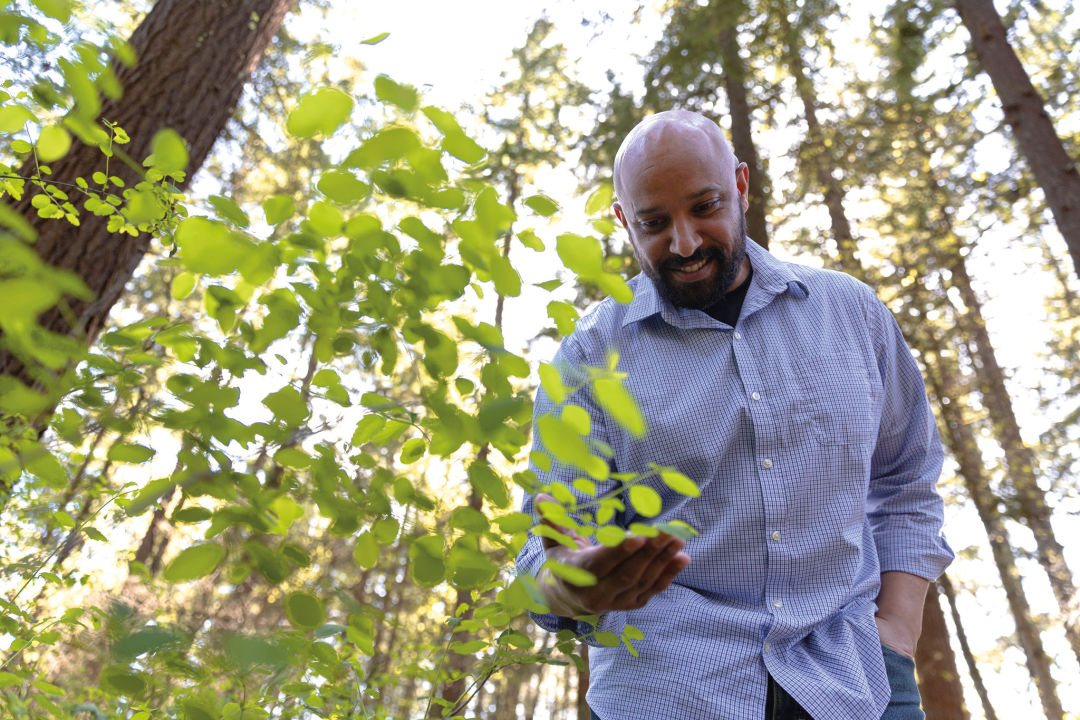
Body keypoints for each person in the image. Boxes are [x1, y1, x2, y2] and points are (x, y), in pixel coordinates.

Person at [515, 110, 953, 719]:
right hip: (669, 691)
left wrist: (899, 630)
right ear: (624, 221)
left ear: (741, 186)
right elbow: (546, 553)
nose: (685, 242)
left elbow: (905, 481)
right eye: (654, 222)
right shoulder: (589, 357)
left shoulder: (851, 313)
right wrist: (572, 585)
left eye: (704, 207)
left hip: (859, 681)